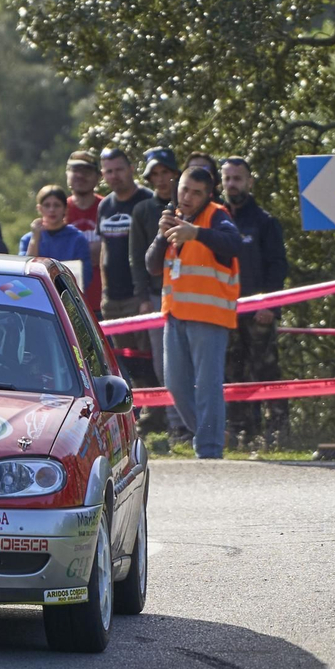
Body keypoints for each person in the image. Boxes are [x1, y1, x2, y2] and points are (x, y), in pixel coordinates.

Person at [144, 166, 241, 459]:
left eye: (196, 193)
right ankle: (211, 434)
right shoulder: (174, 217)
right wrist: (161, 236)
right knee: (175, 384)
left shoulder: (217, 215)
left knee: (208, 386)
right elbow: (151, 265)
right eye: (184, 189)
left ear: (208, 195)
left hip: (209, 316)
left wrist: (196, 233)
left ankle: (209, 448)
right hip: (175, 314)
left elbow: (234, 243)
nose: (187, 197)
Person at [220, 156, 290, 447]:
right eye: (227, 179)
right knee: (232, 372)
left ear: (249, 181)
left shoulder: (265, 221)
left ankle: (278, 432)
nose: (232, 184)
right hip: (224, 312)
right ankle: (241, 433)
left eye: (237, 178)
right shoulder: (216, 219)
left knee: (266, 370)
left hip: (260, 312)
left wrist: (270, 305)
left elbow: (278, 266)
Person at [129, 147, 187, 440]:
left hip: (191, 294)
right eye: (156, 174)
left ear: (176, 174)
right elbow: (137, 257)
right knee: (164, 365)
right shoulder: (142, 210)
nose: (162, 179)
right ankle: (176, 424)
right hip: (156, 296)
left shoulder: (190, 206)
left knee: (193, 361)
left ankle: (196, 423)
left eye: (166, 172)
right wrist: (141, 297)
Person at [22, 186, 99, 318]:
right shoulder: (28, 239)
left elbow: (85, 276)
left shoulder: (77, 238)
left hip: (70, 303)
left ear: (65, 209)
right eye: (47, 205)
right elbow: (25, 274)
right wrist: (35, 238)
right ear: (39, 208)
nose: (52, 210)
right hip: (38, 303)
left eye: (57, 205)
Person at [97, 148, 153, 321]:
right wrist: (104, 292)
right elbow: (104, 249)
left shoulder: (148, 201)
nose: (114, 176)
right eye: (109, 171)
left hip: (140, 298)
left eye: (119, 169)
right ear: (103, 175)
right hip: (112, 300)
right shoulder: (104, 206)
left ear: (131, 169)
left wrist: (146, 297)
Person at [64, 150, 105, 313]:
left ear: (98, 177)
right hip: (68, 302)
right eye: (75, 170)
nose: (80, 175)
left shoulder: (108, 207)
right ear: (67, 174)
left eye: (87, 171)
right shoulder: (57, 209)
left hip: (104, 300)